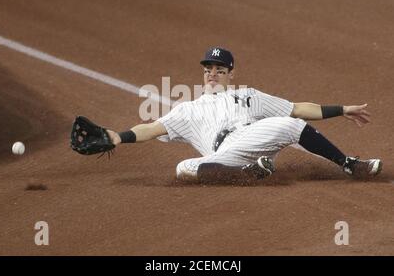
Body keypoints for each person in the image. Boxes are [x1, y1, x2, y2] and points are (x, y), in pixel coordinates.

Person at [106, 47, 382, 182]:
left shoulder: (248, 94)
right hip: (224, 156)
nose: (212, 74)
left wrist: (341, 109)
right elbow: (151, 128)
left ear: (230, 74)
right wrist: (118, 137)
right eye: (208, 69)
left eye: (219, 70)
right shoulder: (187, 110)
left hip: (253, 137)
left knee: (290, 122)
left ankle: (349, 164)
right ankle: (247, 173)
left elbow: (297, 108)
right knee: (183, 168)